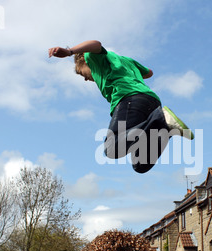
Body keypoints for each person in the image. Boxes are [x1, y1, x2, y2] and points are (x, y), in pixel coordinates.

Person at [48, 40, 194, 174]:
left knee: (111, 148)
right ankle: (165, 127)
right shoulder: (126, 61)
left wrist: (69, 52)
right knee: (140, 164)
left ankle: (161, 119)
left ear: (82, 61)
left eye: (82, 73)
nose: (86, 79)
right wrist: (127, 72)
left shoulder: (92, 58)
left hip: (129, 98)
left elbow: (96, 44)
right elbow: (149, 73)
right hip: (151, 100)